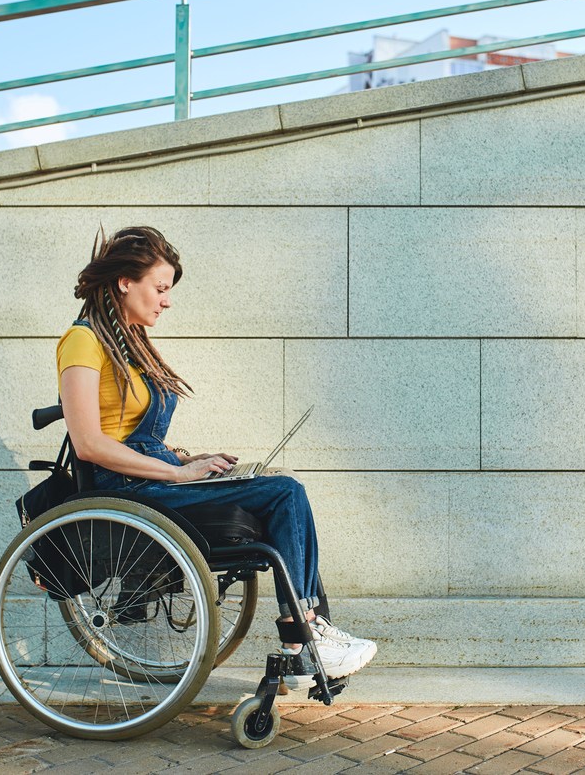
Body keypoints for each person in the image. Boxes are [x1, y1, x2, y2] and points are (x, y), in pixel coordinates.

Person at [56, 225, 376, 686]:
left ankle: (307, 638)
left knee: (277, 481)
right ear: (126, 281)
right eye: (160, 288)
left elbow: (131, 431)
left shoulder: (129, 345)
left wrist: (187, 459)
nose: (166, 301)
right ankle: (306, 640)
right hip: (127, 488)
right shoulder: (83, 340)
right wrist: (177, 474)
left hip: (151, 476)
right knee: (283, 492)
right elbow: (90, 443)